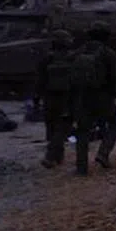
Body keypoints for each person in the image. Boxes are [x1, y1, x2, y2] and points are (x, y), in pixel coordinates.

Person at [72, 20, 116, 174]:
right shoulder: (108, 53)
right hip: (103, 97)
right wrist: (112, 95)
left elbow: (72, 76)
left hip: (83, 97)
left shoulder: (79, 52)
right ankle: (103, 153)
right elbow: (115, 77)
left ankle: (81, 168)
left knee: (82, 132)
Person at [33, 29, 77, 168]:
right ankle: (51, 156)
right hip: (67, 97)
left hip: (50, 97)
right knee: (63, 128)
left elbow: (40, 79)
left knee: (52, 127)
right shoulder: (73, 57)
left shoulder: (47, 58)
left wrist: (36, 97)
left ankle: (58, 157)